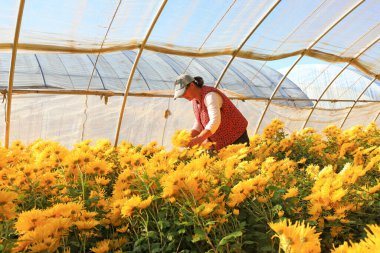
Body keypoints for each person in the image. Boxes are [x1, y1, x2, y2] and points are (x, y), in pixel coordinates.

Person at [173, 74, 249, 151]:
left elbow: (215, 120)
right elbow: (200, 120)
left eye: (183, 92)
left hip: (236, 138)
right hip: (219, 142)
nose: (183, 96)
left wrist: (200, 138)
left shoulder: (210, 96)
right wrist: (189, 137)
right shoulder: (194, 100)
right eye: (181, 95)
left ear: (192, 85)